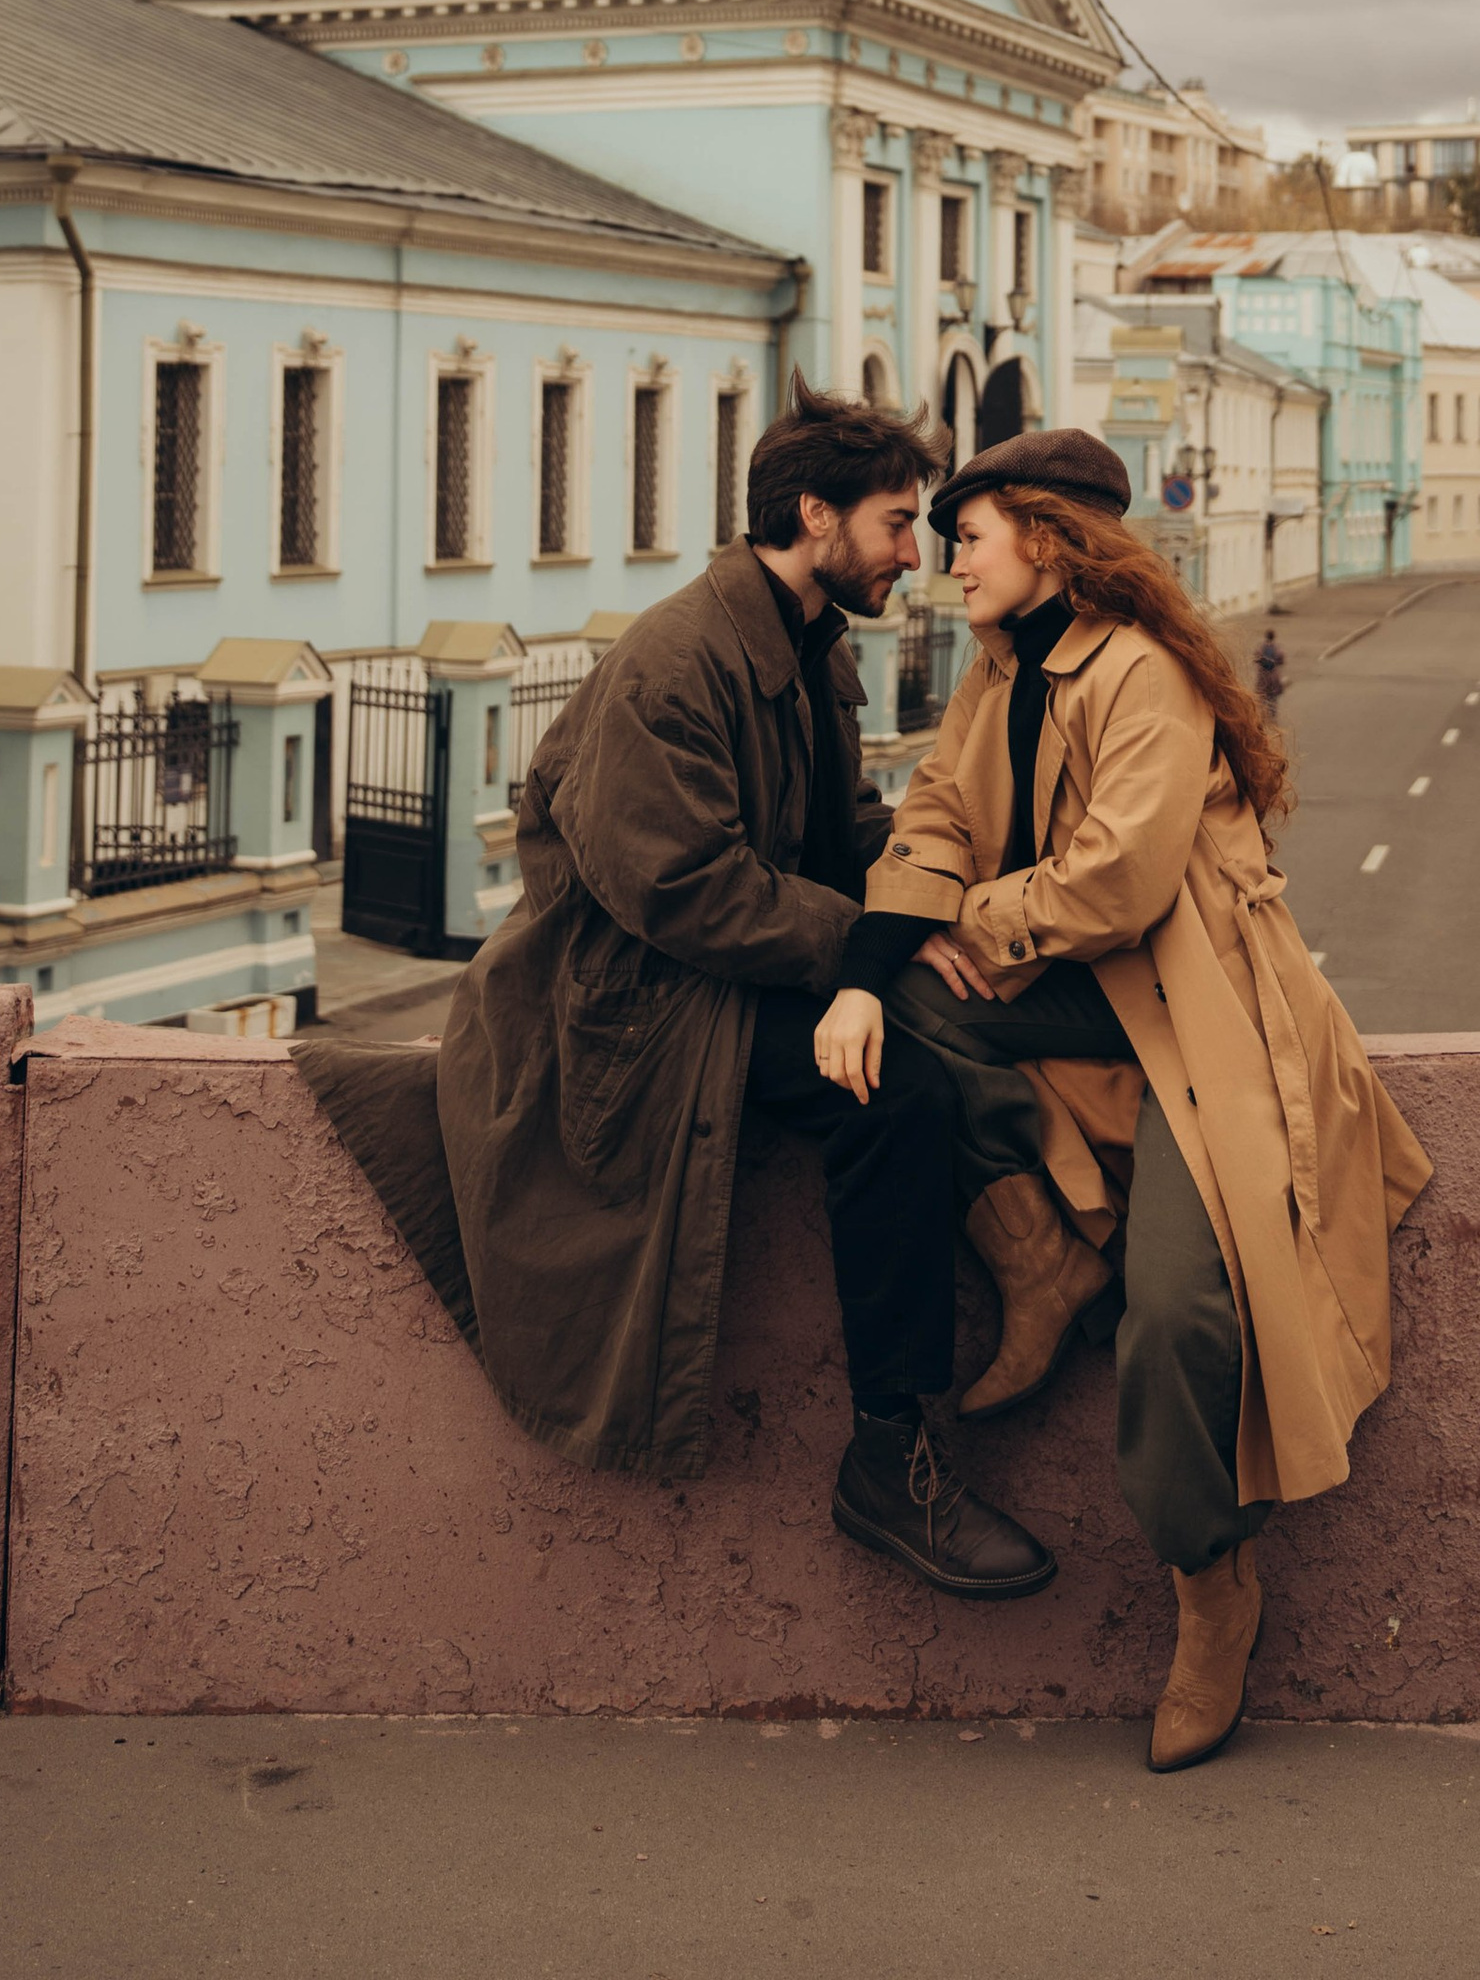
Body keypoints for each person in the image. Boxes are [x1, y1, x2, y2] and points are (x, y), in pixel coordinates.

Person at [294, 381, 1056, 1605]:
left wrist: (951, 904)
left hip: (716, 981)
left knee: (962, 1018)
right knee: (893, 1091)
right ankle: (889, 1457)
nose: (913, 557)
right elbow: (685, 888)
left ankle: (1041, 1266)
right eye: (894, 524)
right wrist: (873, 943)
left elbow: (849, 829)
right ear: (815, 515)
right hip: (631, 1009)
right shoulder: (677, 659)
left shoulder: (808, 646)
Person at [809, 424, 1432, 1773]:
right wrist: (874, 957)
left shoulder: (1141, 671)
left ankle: (1212, 1584)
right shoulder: (997, 666)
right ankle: (1038, 1257)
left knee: (1180, 1317)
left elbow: (1119, 882)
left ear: (1045, 537)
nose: (947, 562)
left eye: (968, 537)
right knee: (902, 1006)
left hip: (1203, 1022)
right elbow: (935, 819)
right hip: (1085, 1000)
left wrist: (972, 918)